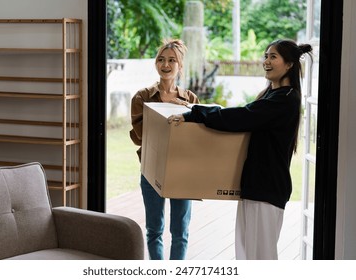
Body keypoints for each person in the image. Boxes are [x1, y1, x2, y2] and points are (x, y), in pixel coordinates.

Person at [167, 39, 313, 260]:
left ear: (290, 65)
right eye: (266, 56)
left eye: (273, 57)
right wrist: (198, 111)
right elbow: (245, 115)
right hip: (256, 188)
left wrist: (195, 113)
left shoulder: (284, 99)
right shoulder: (273, 96)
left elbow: (241, 117)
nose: (266, 61)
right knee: (246, 256)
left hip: (267, 190)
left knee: (260, 259)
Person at [129, 39, 200, 260]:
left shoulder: (190, 99)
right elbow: (141, 135)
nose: (165, 64)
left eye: (171, 60)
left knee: (180, 232)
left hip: (182, 169)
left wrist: (188, 111)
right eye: (161, 59)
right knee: (154, 230)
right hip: (152, 169)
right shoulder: (142, 97)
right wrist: (167, 111)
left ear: (180, 66)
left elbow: (196, 138)